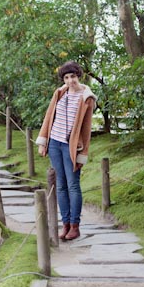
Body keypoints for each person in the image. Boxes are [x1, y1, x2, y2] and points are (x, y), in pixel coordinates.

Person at [36, 61, 97, 240]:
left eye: (73, 77)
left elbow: (86, 130)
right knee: (60, 185)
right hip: (55, 143)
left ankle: (75, 226)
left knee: (73, 184)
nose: (70, 81)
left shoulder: (87, 98)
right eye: (67, 77)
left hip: (71, 147)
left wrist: (82, 153)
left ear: (79, 76)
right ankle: (66, 224)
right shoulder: (60, 93)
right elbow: (49, 117)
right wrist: (43, 141)